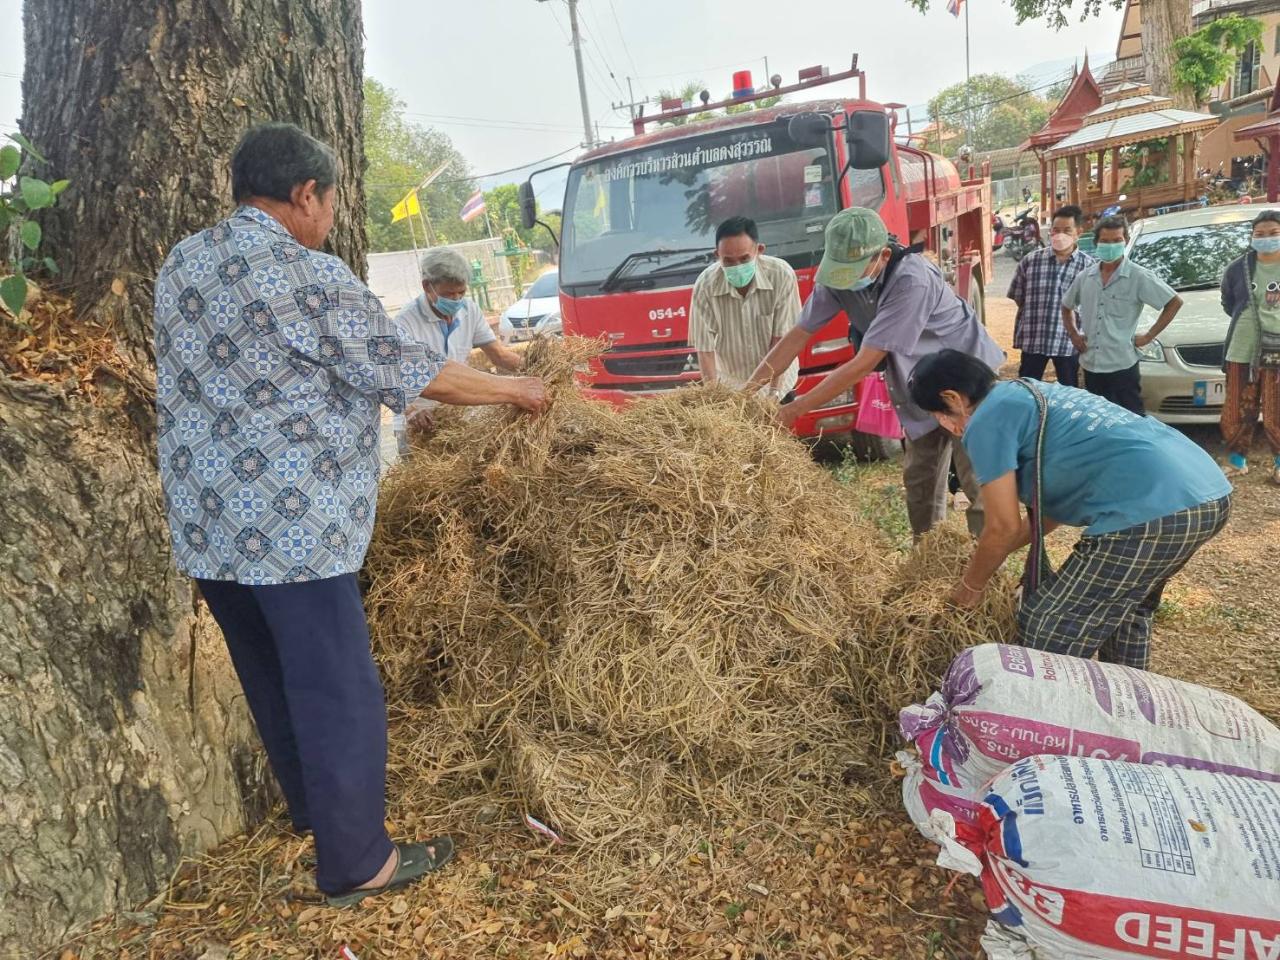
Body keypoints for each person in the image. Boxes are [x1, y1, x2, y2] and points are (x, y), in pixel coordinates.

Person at [153, 123, 547, 907]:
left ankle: (315, 814)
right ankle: (357, 861)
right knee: (336, 686)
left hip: (209, 524)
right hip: (294, 531)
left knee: (270, 674)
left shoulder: (182, 263)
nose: (330, 218)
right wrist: (519, 390)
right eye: (330, 203)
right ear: (306, 195)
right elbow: (410, 371)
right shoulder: (310, 277)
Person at [909, 350, 1231, 670]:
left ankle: (1043, 716)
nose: (942, 424)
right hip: (1204, 491)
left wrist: (969, 588)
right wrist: (985, 557)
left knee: (1047, 622)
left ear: (952, 398)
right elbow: (1048, 516)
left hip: (1153, 512)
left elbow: (1002, 527)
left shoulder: (986, 419)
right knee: (1123, 613)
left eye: (937, 415)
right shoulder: (1026, 392)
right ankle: (1125, 709)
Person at [746, 207, 1005, 538]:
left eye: (853, 271)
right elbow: (798, 334)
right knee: (920, 479)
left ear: (883, 255)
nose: (847, 281)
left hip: (967, 385)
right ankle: (927, 559)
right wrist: (742, 393)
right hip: (920, 387)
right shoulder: (839, 277)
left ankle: (989, 572)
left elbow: (866, 361)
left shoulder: (911, 279)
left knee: (978, 476)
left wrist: (795, 409)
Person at [393, 248, 525, 454]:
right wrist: (411, 411)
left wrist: (537, 368)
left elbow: (499, 356)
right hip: (421, 422)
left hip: (459, 418)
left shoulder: (469, 309)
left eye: (461, 292)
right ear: (427, 286)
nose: (456, 300)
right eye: (448, 294)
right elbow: (391, 380)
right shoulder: (404, 323)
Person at [1060, 215, 1183, 415]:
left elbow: (1173, 302)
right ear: (1096, 243)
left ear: (1125, 240)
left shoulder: (1138, 276)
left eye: (1117, 240)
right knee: (1098, 417)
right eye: (1105, 241)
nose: (1111, 246)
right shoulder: (1085, 278)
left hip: (1122, 365)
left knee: (1131, 417)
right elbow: (1066, 306)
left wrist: (1149, 336)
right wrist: (1074, 334)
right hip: (1092, 364)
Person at [689, 216, 801, 397]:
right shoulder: (705, 285)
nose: (737, 266)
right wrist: (713, 398)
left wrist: (774, 393)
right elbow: (705, 349)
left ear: (759, 250)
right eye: (729, 261)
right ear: (717, 255)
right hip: (731, 386)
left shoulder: (781, 275)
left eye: (744, 259)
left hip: (778, 383)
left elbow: (781, 341)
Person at [1219, 209, 1280, 484]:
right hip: (1242, 348)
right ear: (1252, 237)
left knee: (1276, 406)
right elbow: (1229, 303)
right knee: (1236, 406)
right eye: (1260, 234)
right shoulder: (1238, 268)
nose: (1266, 238)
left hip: (1277, 349)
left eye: (1273, 233)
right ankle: (1236, 460)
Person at [1008, 204, 1091, 387]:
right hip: (1034, 338)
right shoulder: (1030, 261)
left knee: (1069, 392)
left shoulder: (1089, 268)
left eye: (1067, 230)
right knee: (1027, 391)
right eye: (1056, 230)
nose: (1060, 235)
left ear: (1078, 232)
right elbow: (1018, 297)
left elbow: (1092, 307)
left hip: (1068, 343)